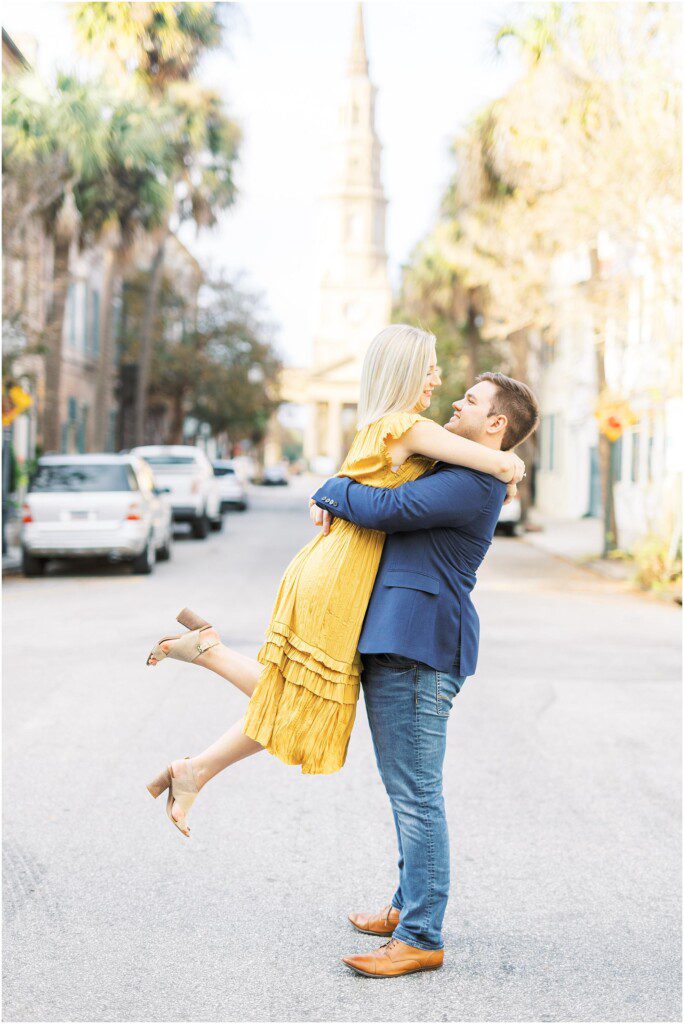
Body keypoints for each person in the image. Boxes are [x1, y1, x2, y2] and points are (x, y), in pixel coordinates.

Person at [145, 326, 524, 841]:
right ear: (408, 371)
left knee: (310, 693)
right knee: (313, 693)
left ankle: (198, 750)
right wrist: (510, 467)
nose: (439, 379)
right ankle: (207, 660)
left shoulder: (388, 425)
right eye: (430, 366)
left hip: (337, 564)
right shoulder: (408, 426)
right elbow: (497, 461)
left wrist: (330, 492)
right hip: (342, 571)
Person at [308, 370, 541, 977]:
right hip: (401, 643)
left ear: (496, 425)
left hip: (421, 649)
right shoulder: (456, 468)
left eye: (470, 400)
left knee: (417, 796)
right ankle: (404, 906)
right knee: (405, 790)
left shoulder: (471, 482)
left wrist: (331, 487)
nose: (456, 403)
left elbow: (390, 508)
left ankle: (420, 935)